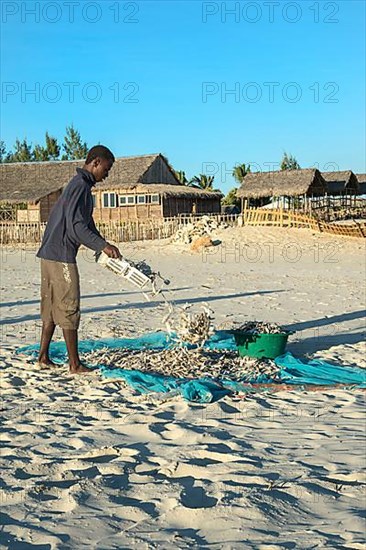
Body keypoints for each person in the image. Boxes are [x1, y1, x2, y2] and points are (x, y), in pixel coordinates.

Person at [36, 145, 121, 373]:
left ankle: (43, 356)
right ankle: (74, 364)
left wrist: (103, 244)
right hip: (61, 255)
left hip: (48, 254)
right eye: (107, 168)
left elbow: (86, 223)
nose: (107, 174)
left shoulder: (77, 185)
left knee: (53, 307)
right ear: (95, 163)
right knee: (68, 306)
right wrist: (102, 245)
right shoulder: (81, 186)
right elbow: (76, 228)